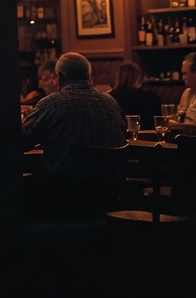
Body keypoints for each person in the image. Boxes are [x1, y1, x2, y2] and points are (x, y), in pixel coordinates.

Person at [21, 51, 125, 218]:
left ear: (60, 77)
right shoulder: (111, 103)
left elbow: (20, 141)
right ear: (88, 76)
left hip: (62, 198)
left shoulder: (52, 103)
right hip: (108, 197)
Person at [168, 51, 196, 135]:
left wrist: (172, 124)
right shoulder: (187, 93)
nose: (182, 77)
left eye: (185, 74)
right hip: (182, 139)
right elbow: (178, 119)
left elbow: (193, 126)